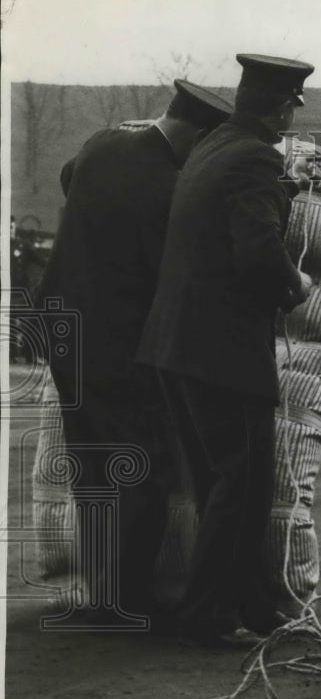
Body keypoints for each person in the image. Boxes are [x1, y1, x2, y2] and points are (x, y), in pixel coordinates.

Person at [37, 80, 234, 625]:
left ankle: (103, 592)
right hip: (117, 340)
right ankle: (125, 599)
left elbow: (69, 177)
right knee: (144, 463)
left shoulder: (101, 144)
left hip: (61, 325)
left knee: (93, 461)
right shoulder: (173, 190)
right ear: (197, 137)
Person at [137, 54, 315, 647]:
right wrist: (297, 285)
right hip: (223, 354)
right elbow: (258, 255)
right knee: (243, 486)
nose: (292, 113)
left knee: (223, 485)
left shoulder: (212, 146)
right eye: (292, 103)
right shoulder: (257, 158)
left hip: (175, 345)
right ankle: (207, 617)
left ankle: (256, 604)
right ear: (283, 105)